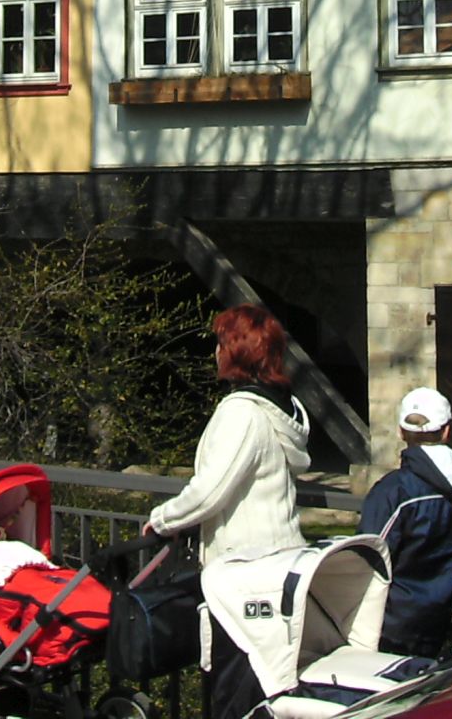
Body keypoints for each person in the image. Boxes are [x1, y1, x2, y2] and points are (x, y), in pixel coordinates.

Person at [146, 304, 310, 719]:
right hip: (282, 569)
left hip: (244, 577)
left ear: (237, 350)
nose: (215, 352)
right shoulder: (283, 408)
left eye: (220, 343)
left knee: (235, 694)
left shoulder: (241, 413)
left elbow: (209, 491)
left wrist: (162, 520)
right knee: (269, 691)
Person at [359, 387, 452, 657]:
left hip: (390, 622)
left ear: (401, 432)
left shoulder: (394, 491)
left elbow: (367, 558)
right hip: (439, 615)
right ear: (447, 431)